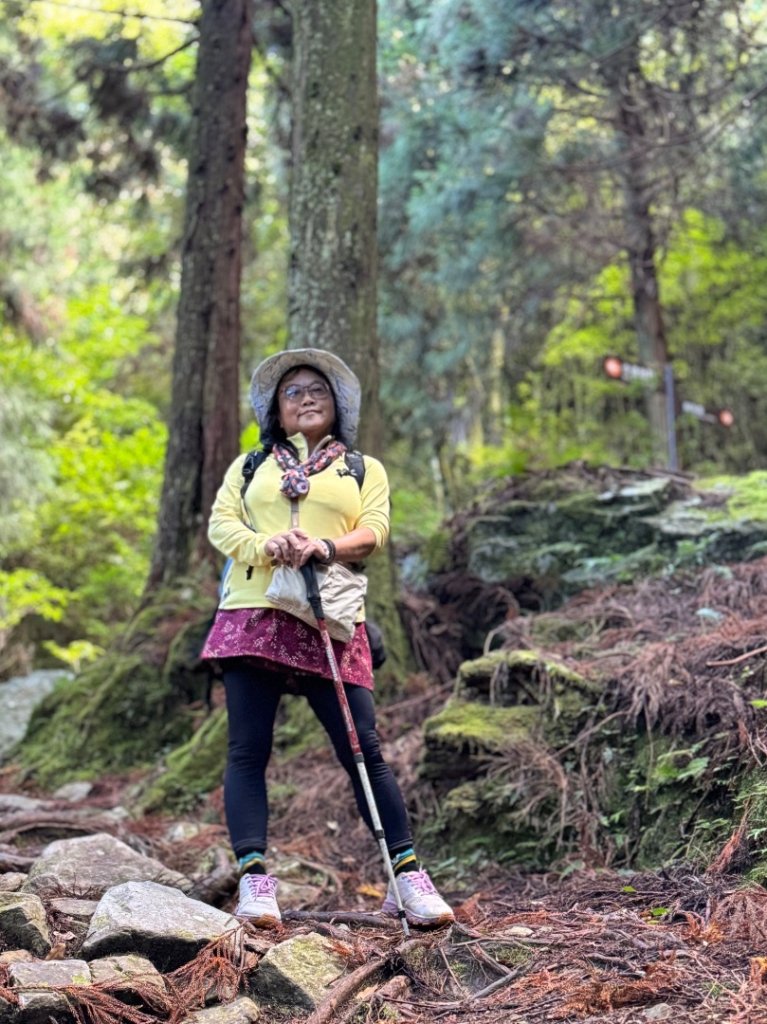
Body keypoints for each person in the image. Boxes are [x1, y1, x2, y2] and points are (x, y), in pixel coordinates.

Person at [201, 348, 454, 928]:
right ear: (276, 409)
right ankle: (255, 882)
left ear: (338, 404)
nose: (306, 397)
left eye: (318, 389)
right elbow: (222, 524)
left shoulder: (363, 469)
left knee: (363, 746)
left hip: (330, 616)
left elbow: (375, 530)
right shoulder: (249, 466)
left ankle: (406, 877)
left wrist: (323, 547)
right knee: (248, 748)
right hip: (254, 609)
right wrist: (268, 545)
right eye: (292, 391)